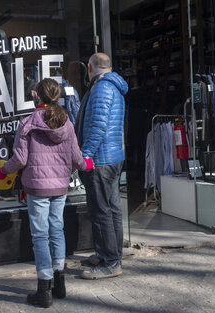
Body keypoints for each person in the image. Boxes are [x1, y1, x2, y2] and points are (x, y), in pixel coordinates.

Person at [0, 78, 94, 308]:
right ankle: (59, 283)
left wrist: (1, 172)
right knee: (56, 229)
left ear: (36, 96)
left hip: (37, 187)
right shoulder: (66, 123)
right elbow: (77, 159)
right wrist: (88, 164)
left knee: (40, 236)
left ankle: (43, 290)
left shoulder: (28, 123)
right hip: (59, 186)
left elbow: (20, 159)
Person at [75, 52, 128, 280]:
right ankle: (110, 254)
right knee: (112, 209)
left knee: (101, 212)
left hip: (101, 161)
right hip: (112, 156)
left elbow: (97, 127)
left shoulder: (101, 88)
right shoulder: (112, 86)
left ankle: (110, 262)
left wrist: (85, 157)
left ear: (89, 67)